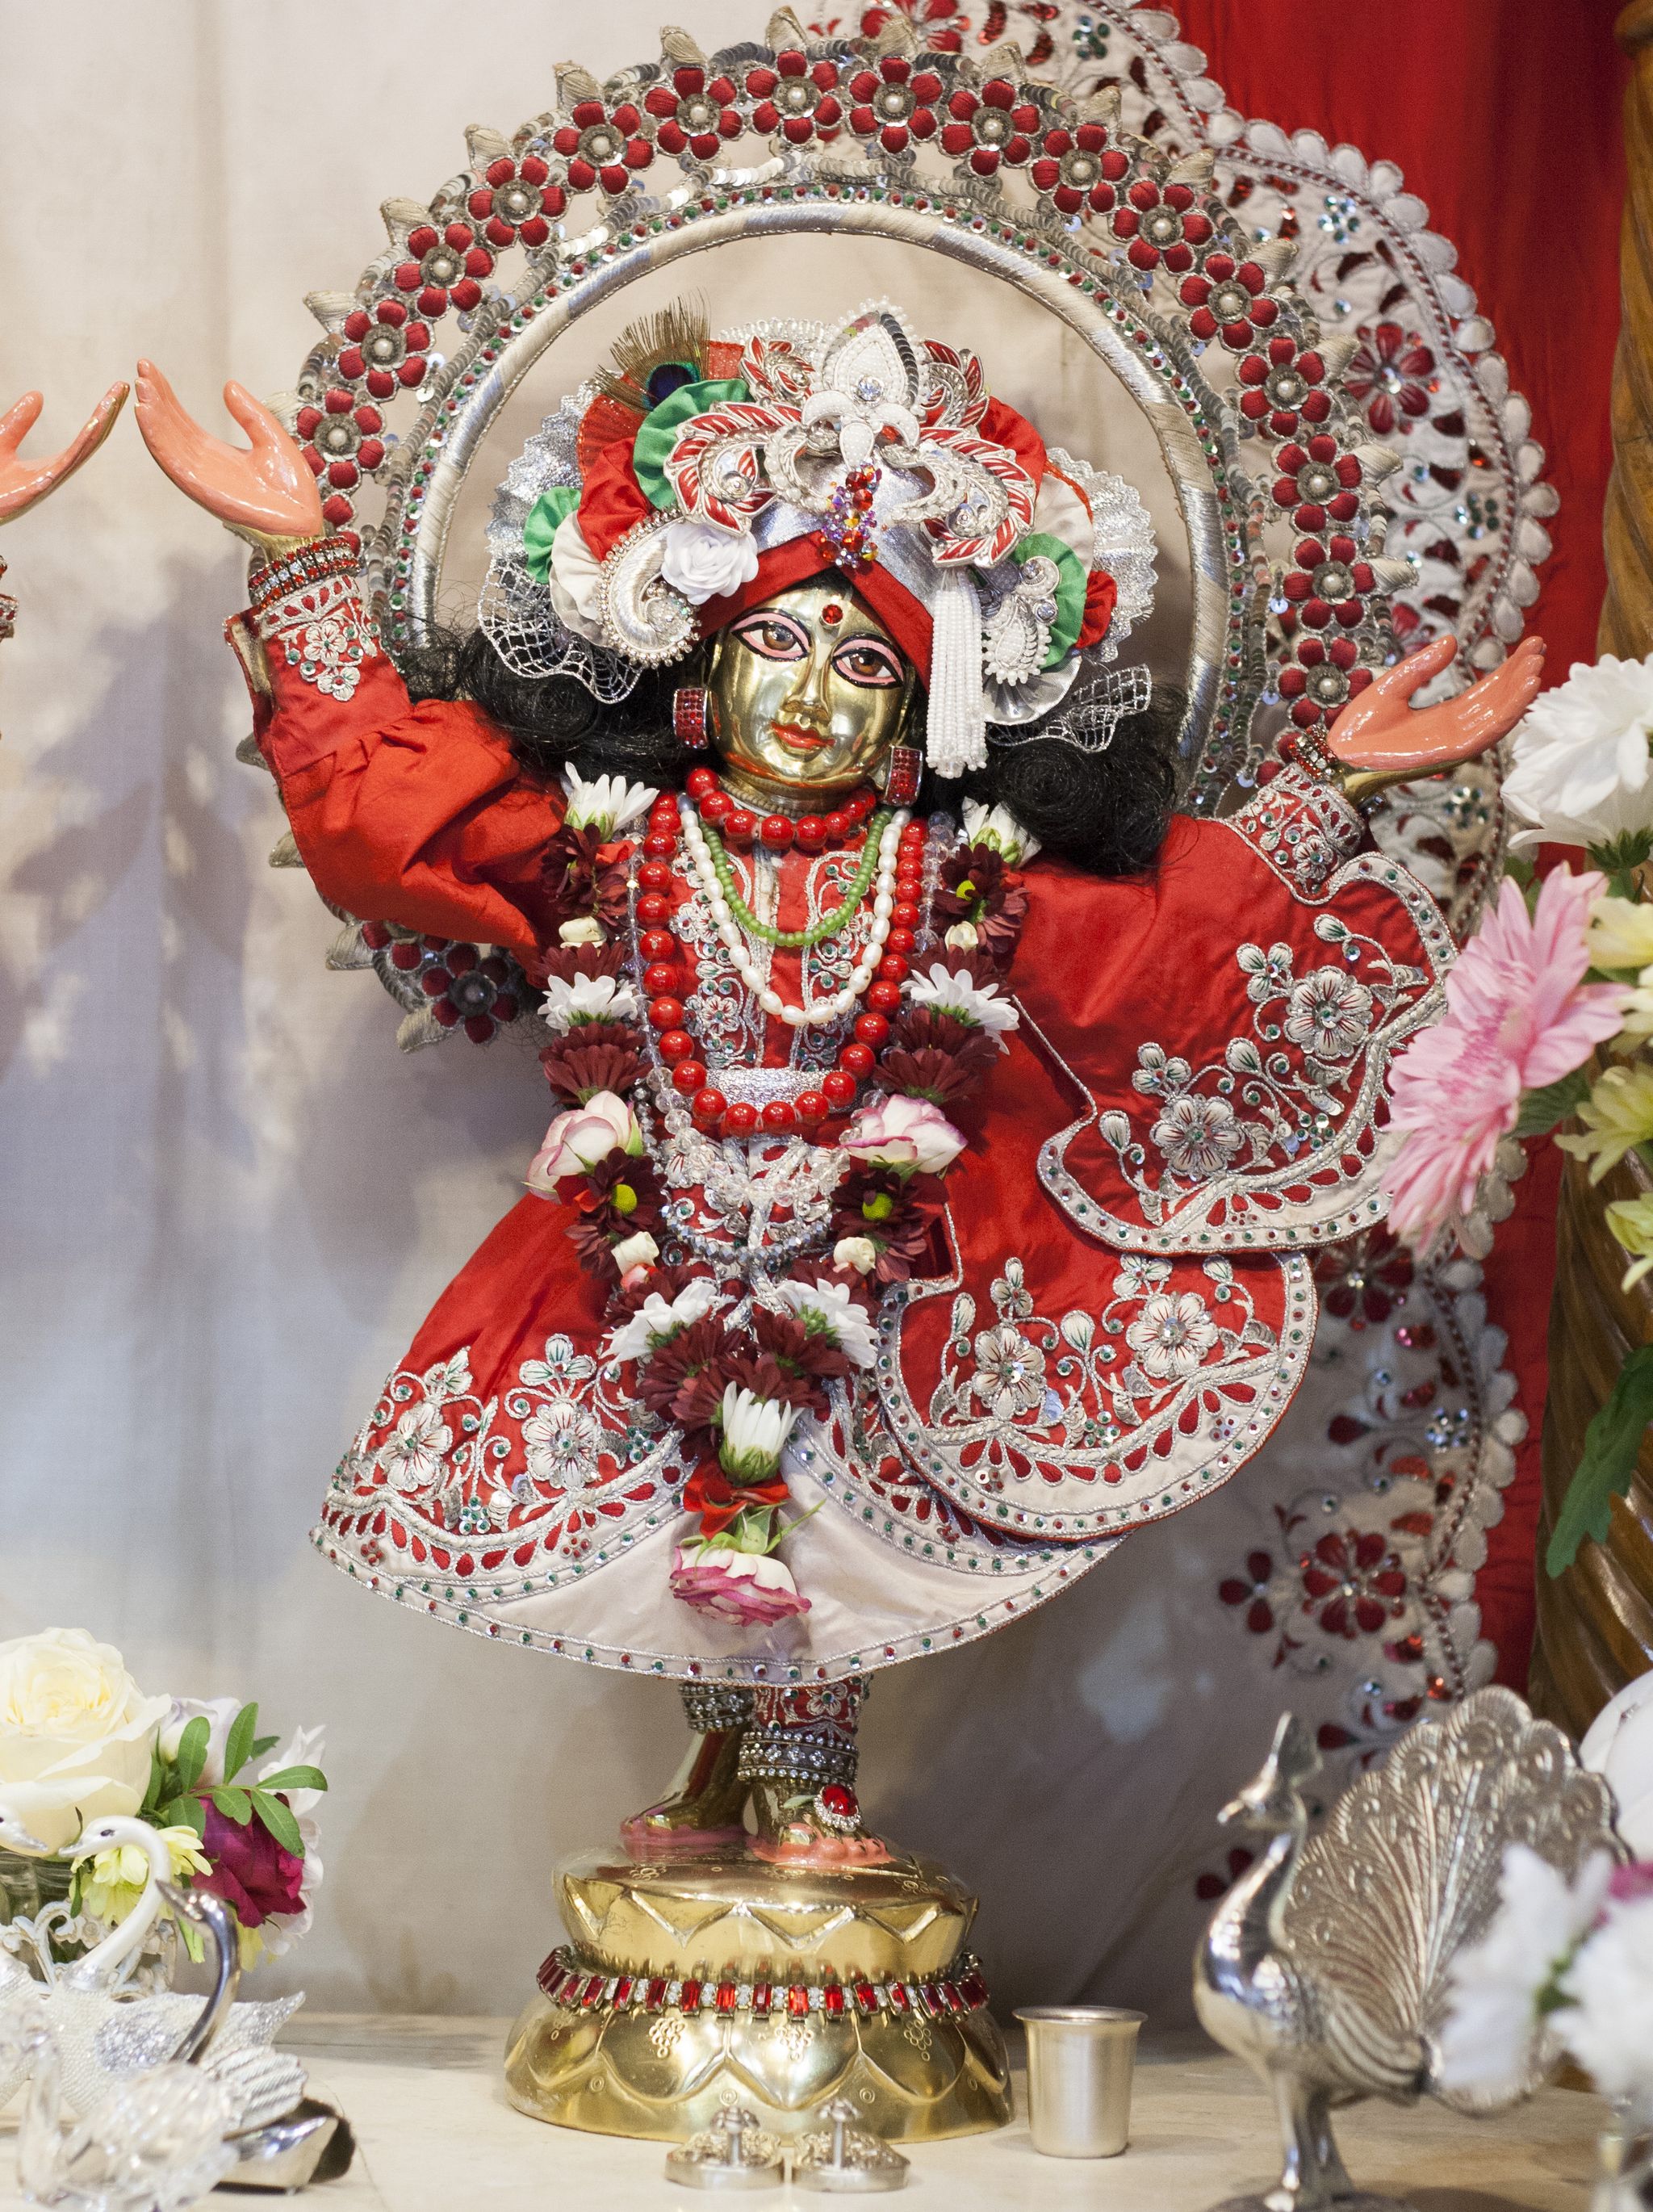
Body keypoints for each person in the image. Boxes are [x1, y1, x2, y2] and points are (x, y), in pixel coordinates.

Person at [132, 300, 1542, 1867]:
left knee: (822, 1519)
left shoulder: (952, 881)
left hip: (885, 1269)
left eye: (866, 661)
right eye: (774, 643)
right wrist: (301, 563)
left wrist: (1326, 782)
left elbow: (1159, 952)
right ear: (694, 675)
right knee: (679, 1506)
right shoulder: (612, 850)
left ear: (924, 720)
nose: (811, 693)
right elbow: (396, 823)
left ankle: (804, 1780)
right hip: (639, 1250)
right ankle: (722, 1770)